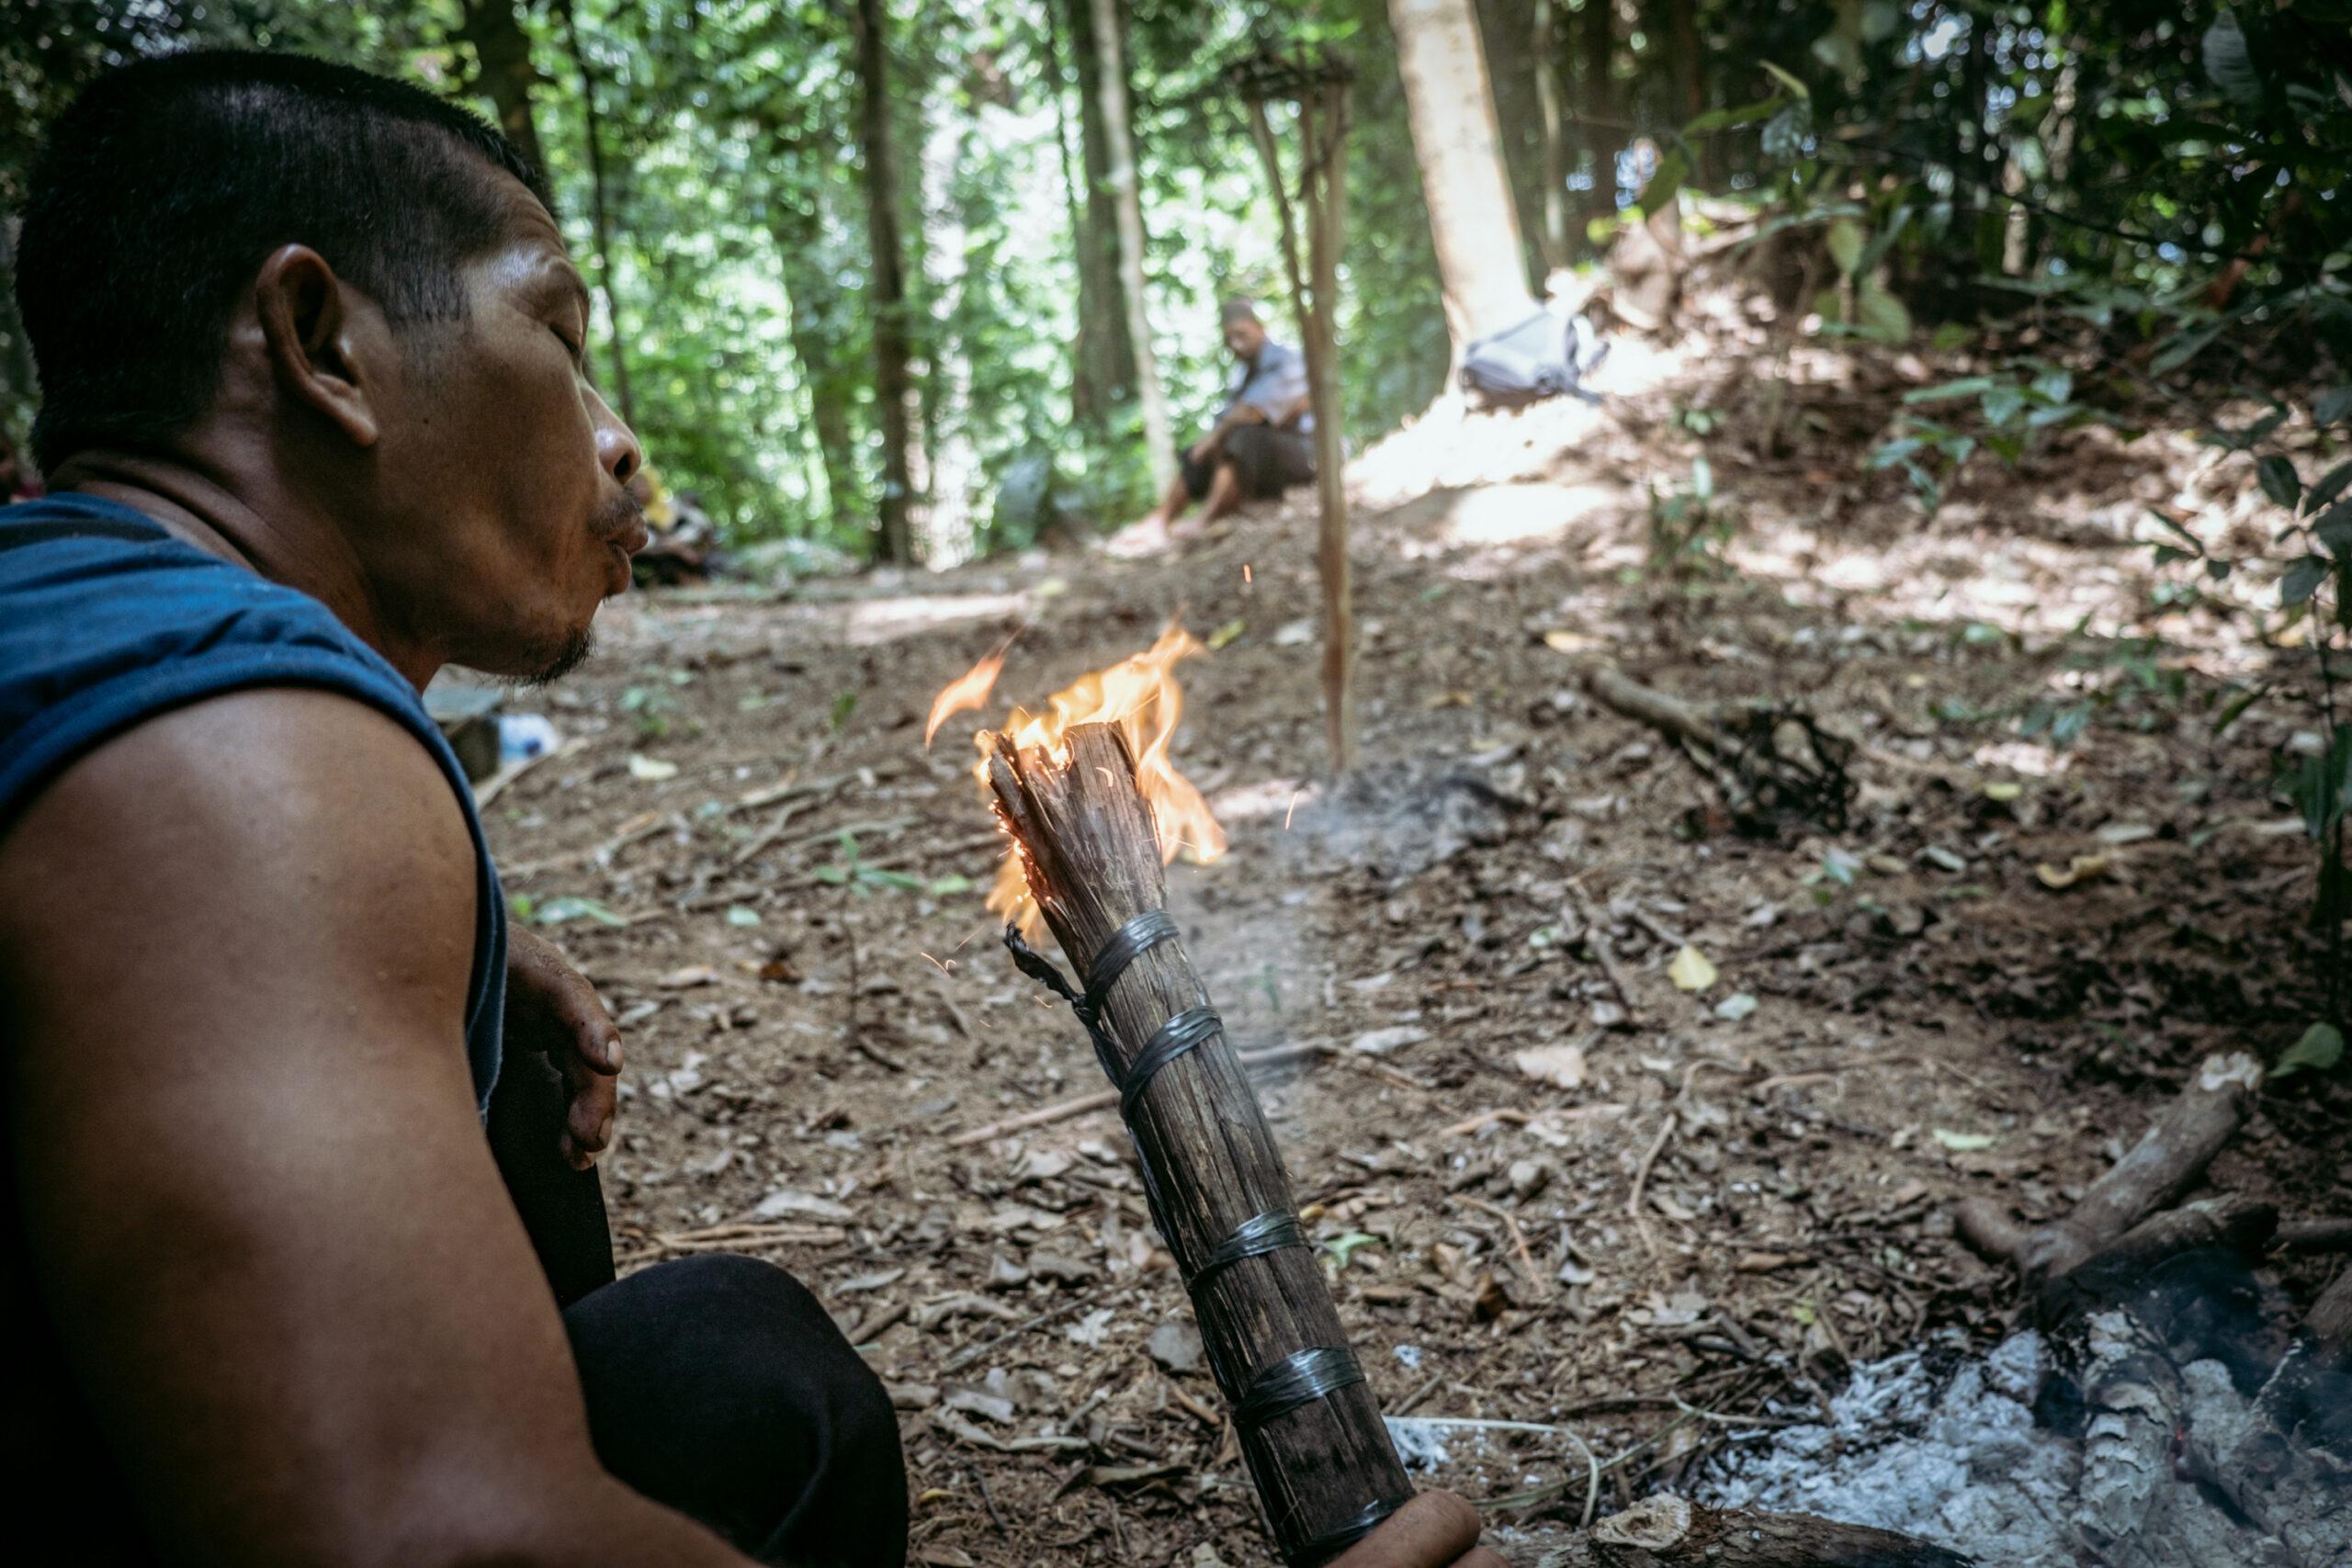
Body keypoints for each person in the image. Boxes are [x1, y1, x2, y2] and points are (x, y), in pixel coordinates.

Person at [0, 51, 1511, 1568]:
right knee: (745, 1368)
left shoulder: (93, 652)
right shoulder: (234, 759)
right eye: (556, 331)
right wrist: (298, 866)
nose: (615, 438)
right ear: (322, 340)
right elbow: (442, 1540)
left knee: (737, 1376)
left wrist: (427, 949)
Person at [1109, 298, 1316, 555]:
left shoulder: (1287, 361)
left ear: (1259, 328)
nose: (1236, 344)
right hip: (1263, 460)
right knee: (1199, 453)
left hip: (1307, 456)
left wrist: (1216, 438)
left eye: (1242, 334)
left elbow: (1253, 414)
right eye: (1229, 338)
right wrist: (1210, 444)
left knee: (1241, 438)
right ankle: (1160, 521)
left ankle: (1204, 519)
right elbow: (1231, 419)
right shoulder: (1242, 375)